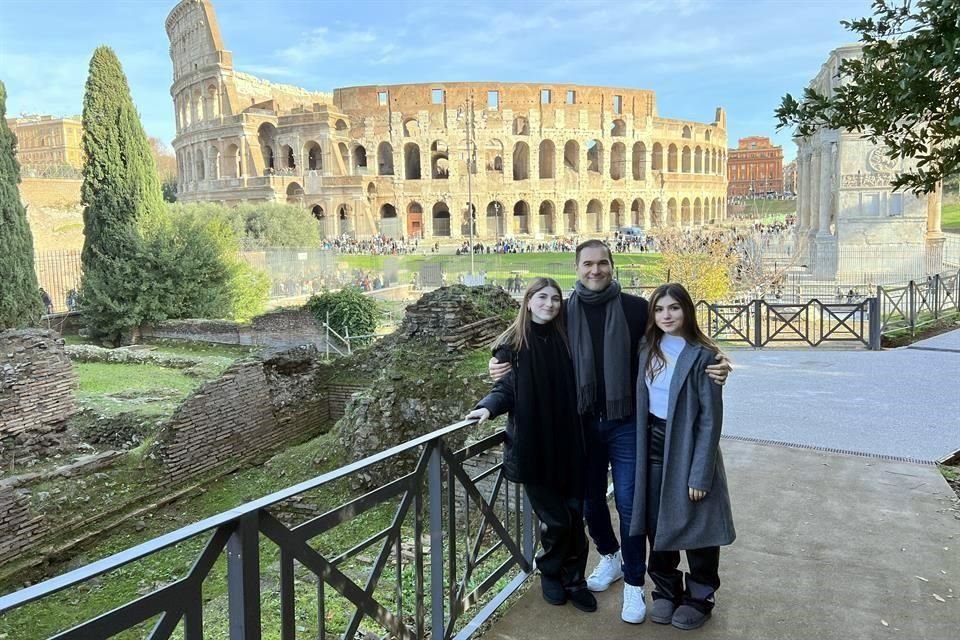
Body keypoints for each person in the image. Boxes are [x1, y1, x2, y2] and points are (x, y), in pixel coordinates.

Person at [489, 240, 730, 624]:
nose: (595, 270)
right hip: (581, 425)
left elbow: (677, 339)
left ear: (612, 265)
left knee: (632, 507)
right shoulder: (564, 311)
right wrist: (498, 358)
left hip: (626, 426)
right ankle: (611, 555)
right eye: (588, 264)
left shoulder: (636, 309)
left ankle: (635, 584)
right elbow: (525, 331)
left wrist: (715, 362)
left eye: (602, 263)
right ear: (577, 267)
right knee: (589, 503)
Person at [467, 278, 595, 613]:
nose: (550, 304)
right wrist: (488, 406)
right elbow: (506, 387)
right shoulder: (513, 345)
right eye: (542, 297)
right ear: (528, 301)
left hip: (570, 444)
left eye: (555, 299)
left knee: (574, 517)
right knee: (556, 520)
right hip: (535, 447)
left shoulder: (568, 337)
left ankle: (575, 579)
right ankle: (550, 572)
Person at [630, 283, 736, 630]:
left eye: (674, 308)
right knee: (657, 523)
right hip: (652, 445)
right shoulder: (647, 348)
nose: (666, 315)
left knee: (697, 524)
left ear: (687, 311)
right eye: (659, 309)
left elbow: (710, 418)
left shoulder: (704, 355)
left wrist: (700, 473)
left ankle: (700, 595)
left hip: (689, 448)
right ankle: (665, 590)